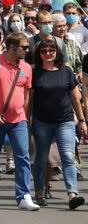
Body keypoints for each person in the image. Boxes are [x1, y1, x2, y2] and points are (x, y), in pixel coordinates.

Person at [0, 31, 39, 210]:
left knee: (23, 157)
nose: (27, 50)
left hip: (18, 120)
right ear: (12, 47)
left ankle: (23, 195)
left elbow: (26, 94)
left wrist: (25, 116)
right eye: (24, 47)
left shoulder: (26, 67)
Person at [29, 38, 86, 209]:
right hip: (41, 121)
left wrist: (82, 120)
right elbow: (29, 99)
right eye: (43, 51)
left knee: (68, 156)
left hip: (65, 120)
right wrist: (26, 120)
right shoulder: (35, 72)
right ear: (38, 54)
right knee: (41, 157)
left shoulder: (66, 71)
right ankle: (39, 191)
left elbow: (75, 97)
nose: (47, 54)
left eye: (51, 50)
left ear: (57, 52)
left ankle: (72, 194)